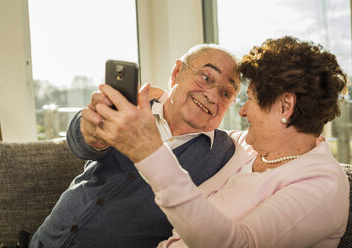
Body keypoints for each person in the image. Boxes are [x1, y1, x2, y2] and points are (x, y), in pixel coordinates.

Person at [93, 36, 350, 247]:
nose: (242, 111)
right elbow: (184, 132)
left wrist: (149, 151)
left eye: (251, 99)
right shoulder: (242, 147)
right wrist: (161, 107)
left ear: (285, 106)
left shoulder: (322, 183)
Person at [30, 44, 241, 248]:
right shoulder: (134, 106)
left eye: (226, 93)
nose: (212, 96)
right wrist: (90, 131)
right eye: (205, 78)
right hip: (43, 240)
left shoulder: (226, 154)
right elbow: (78, 141)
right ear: (177, 72)